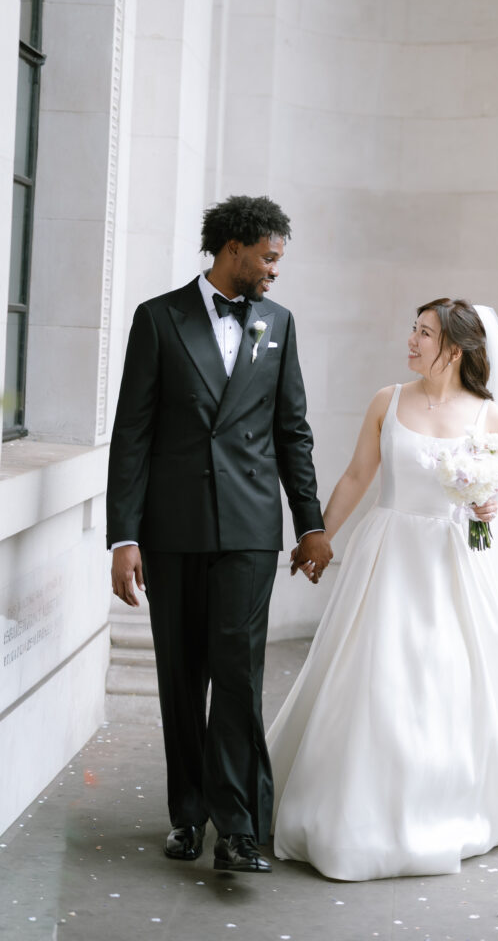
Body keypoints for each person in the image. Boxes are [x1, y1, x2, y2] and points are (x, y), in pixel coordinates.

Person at [267, 298, 498, 882]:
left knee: (443, 677)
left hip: (446, 565)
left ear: (454, 349)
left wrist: (485, 507)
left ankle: (441, 797)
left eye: (424, 333)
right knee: (374, 674)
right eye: (414, 329)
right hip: (387, 556)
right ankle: (360, 797)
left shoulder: (488, 416)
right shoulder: (388, 400)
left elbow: (490, 506)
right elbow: (357, 475)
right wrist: (318, 535)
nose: (411, 340)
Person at [106, 195, 332, 874]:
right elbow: (132, 434)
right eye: (268, 257)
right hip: (172, 530)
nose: (274, 270)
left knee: (238, 676)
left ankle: (237, 829)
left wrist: (310, 522)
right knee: (181, 677)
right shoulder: (158, 319)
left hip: (249, 529)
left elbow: (292, 431)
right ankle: (187, 815)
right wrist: (124, 537)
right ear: (233, 249)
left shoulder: (278, 323)